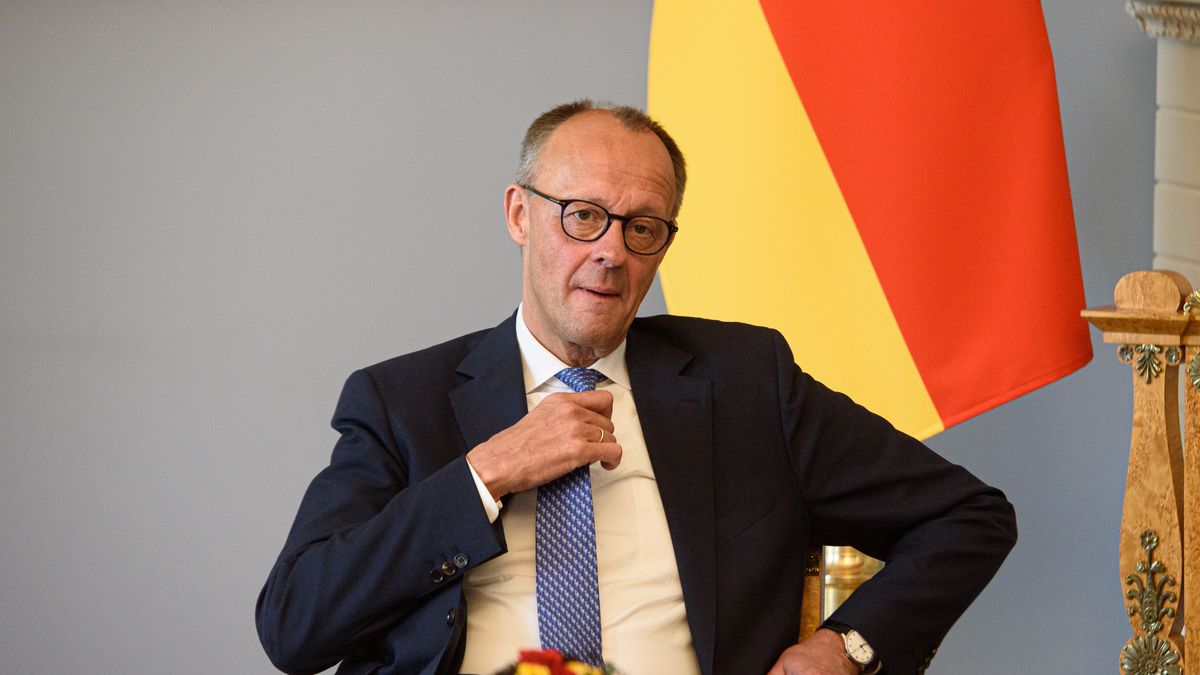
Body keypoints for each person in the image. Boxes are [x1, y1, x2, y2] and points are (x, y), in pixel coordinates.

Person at [256, 100, 1017, 675]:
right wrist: (484, 476)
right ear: (520, 214)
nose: (611, 252)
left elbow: (968, 515)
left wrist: (846, 647)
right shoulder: (403, 401)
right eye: (583, 216)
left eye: (642, 227)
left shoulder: (745, 380)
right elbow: (295, 625)